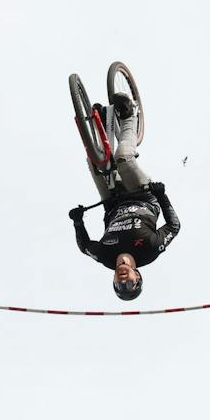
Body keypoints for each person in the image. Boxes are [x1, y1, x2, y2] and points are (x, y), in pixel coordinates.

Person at [70, 93, 180, 301]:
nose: (123, 280)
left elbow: (85, 246)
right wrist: (161, 196)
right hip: (143, 196)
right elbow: (174, 227)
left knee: (94, 164)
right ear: (137, 276)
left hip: (112, 201)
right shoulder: (150, 249)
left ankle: (100, 124)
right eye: (129, 283)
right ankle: (129, 116)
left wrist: (77, 221)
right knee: (123, 158)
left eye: (119, 285)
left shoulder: (105, 256)